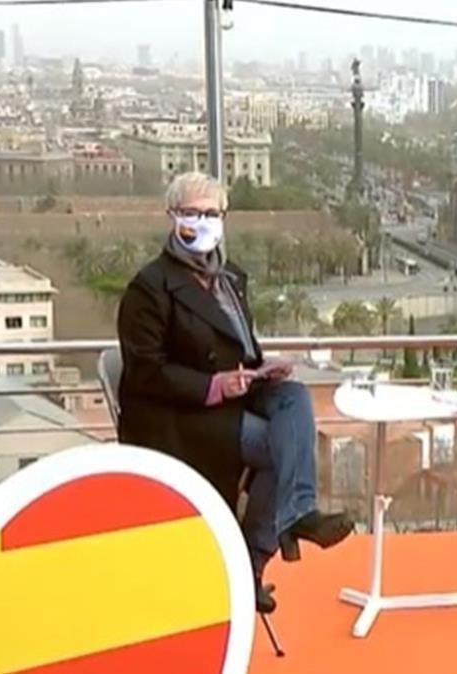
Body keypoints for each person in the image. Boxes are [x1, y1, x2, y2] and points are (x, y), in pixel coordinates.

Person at [116, 172, 353, 614]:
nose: (202, 221)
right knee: (273, 447)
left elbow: (238, 344)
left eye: (211, 213)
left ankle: (299, 513)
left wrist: (262, 369)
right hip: (178, 414)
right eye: (191, 213)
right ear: (172, 217)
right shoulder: (148, 288)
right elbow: (144, 372)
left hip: (238, 389)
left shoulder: (229, 278)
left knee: (295, 397)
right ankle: (251, 561)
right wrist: (213, 385)